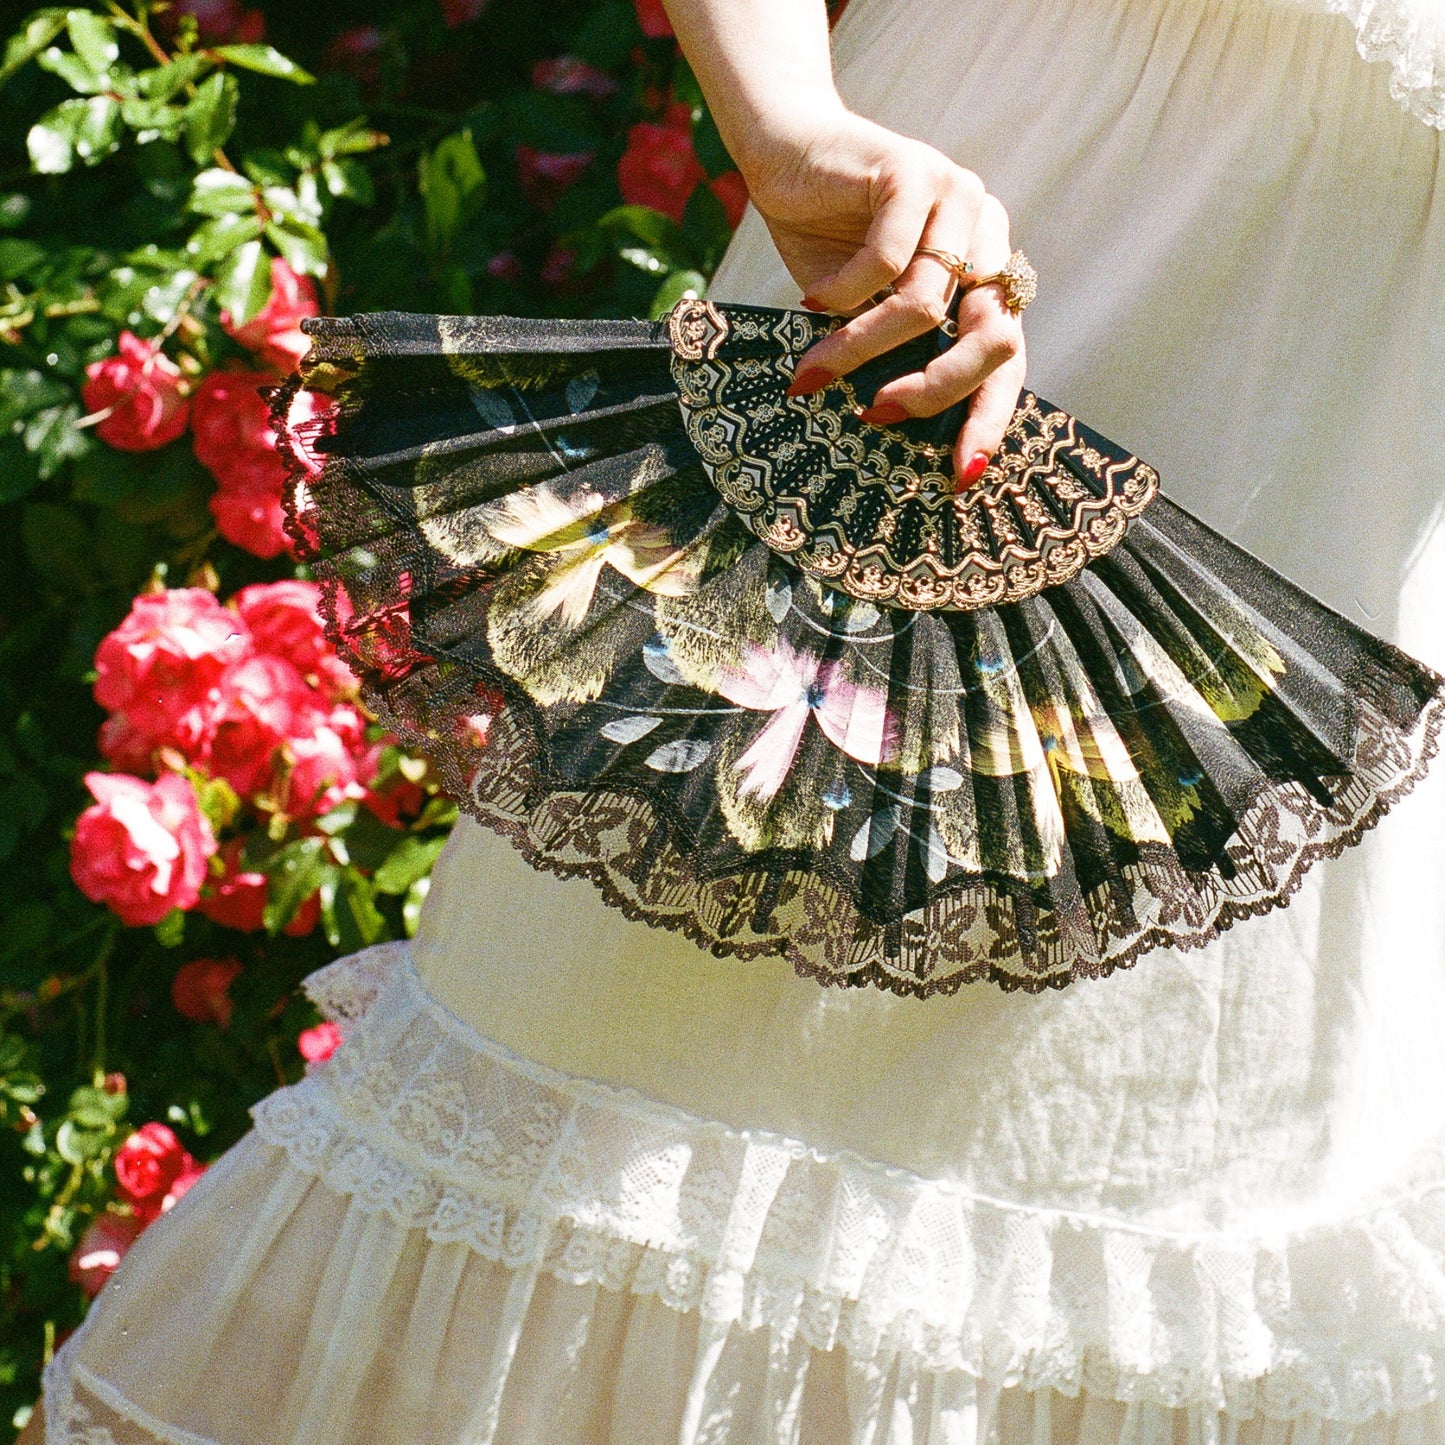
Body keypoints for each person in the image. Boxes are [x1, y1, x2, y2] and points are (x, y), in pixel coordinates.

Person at [29, 0, 1445, 1440]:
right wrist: (790, 122)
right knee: (628, 1115)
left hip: (1345, 560)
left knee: (1172, 1246)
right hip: (938, 319)